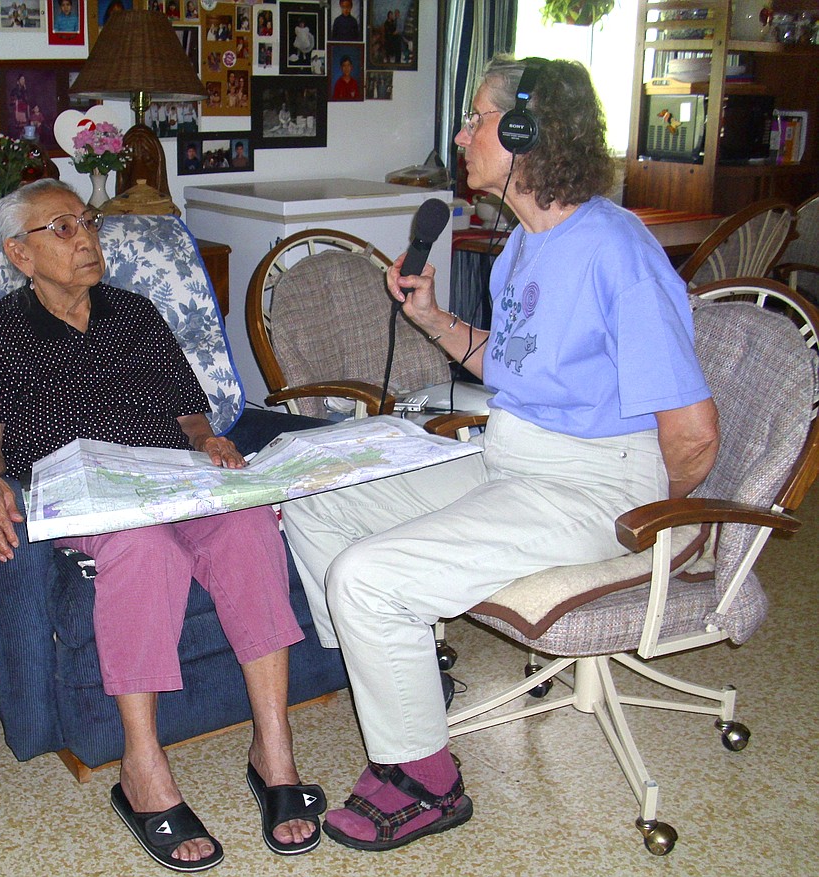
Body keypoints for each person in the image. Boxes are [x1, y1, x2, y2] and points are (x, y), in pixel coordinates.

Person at [282, 56, 719, 852]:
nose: (459, 134)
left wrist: (654, 522)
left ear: (525, 132)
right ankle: (404, 677)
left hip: (596, 483)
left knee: (368, 574)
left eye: (475, 117)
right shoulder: (522, 246)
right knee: (316, 499)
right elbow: (509, 363)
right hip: (511, 456)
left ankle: (428, 783)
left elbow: (692, 432)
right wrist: (433, 320)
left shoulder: (616, 249)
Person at [0, 179, 327, 871]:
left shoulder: (136, 313)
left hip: (169, 474)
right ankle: (142, 766)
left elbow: (187, 412)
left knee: (246, 523)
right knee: (143, 549)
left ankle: (272, 748)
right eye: (60, 228)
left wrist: (207, 439)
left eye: (87, 221)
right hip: (86, 492)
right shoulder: (3, 332)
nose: (86, 238)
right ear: (19, 253)